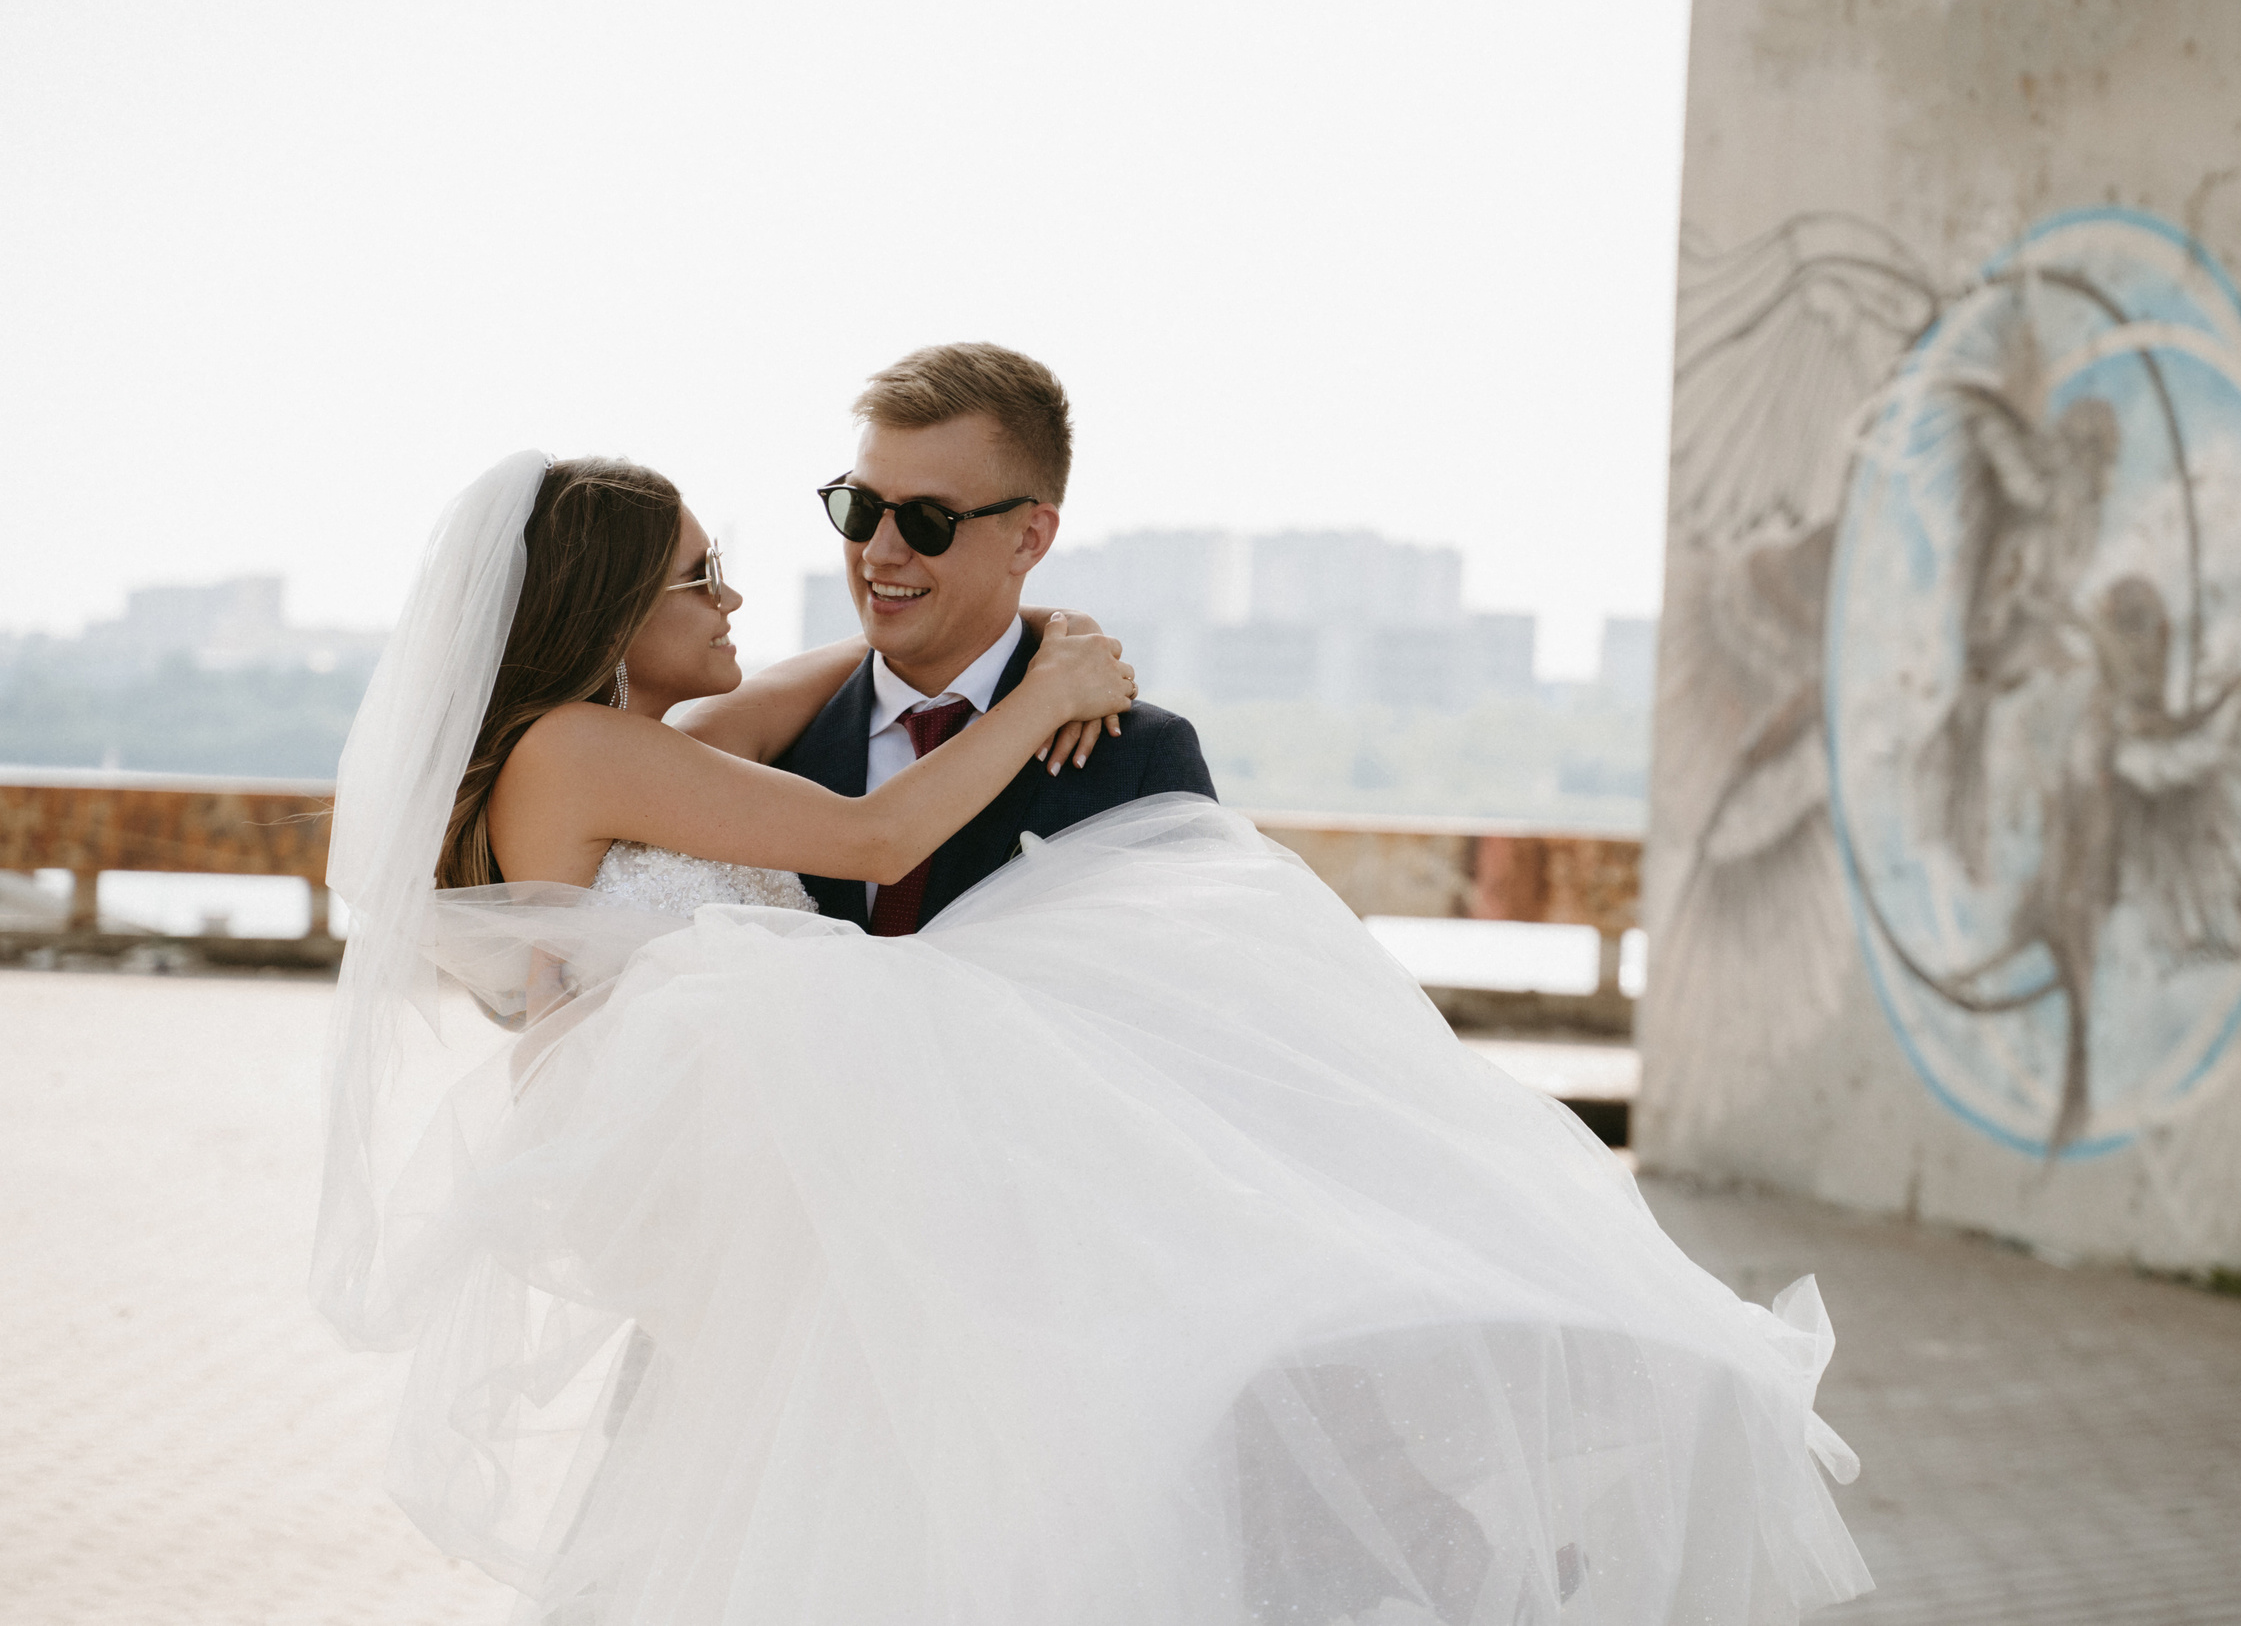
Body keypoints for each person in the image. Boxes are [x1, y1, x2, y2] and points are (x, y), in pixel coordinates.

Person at [316, 444, 1871, 1626]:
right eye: (696, 580)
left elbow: (802, 700)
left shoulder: (571, 753)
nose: (733, 599)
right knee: (1124, 1263)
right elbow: (868, 838)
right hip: (777, 1128)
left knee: (933, 1431)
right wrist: (1045, 682)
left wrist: (985, 633)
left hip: (731, 1156)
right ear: (602, 613)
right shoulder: (592, 748)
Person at [679, 342, 1217, 932]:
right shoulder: (763, 751)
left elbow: (1183, 1001)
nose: (878, 554)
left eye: (926, 520)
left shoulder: (1140, 758)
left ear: (1029, 539)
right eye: (860, 507)